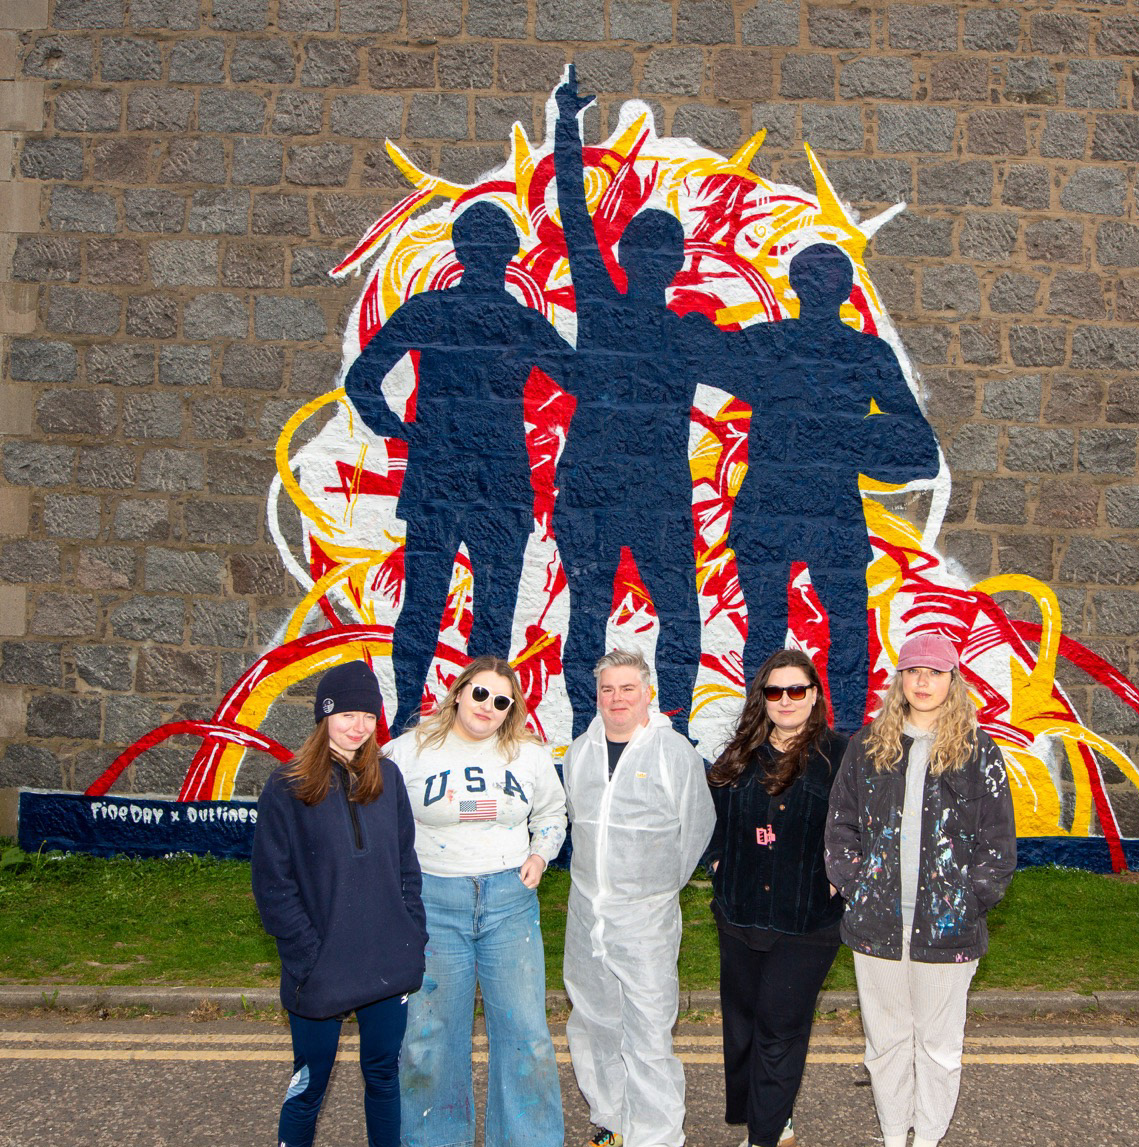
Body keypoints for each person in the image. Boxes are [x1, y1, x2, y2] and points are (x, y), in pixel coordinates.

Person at [345, 202, 574, 736]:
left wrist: (399, 428)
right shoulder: (520, 321)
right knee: (487, 617)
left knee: (424, 606)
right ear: (505, 256)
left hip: (441, 480)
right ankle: (466, 726)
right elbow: (585, 382)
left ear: (461, 250)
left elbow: (363, 379)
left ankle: (407, 716)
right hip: (497, 486)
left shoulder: (433, 311)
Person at [553, 69, 729, 735]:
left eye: (664, 249)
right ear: (634, 253)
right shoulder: (610, 305)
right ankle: (585, 731)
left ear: (677, 260)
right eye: (647, 247)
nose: (655, 258)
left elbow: (764, 369)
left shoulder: (681, 329)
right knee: (601, 613)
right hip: (608, 488)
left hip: (645, 491)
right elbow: (572, 210)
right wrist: (566, 128)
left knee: (668, 616)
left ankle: (674, 731)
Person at [709, 243, 941, 730]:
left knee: (825, 630)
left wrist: (844, 439)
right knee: (792, 630)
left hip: (812, 506)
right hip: (785, 506)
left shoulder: (801, 348)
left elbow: (920, 450)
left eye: (821, 280)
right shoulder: (801, 347)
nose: (817, 289)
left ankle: (845, 734)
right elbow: (699, 357)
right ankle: (793, 733)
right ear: (847, 291)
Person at [824, 632, 1017, 1147]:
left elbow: (997, 843)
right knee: (885, 1043)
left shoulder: (978, 752)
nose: (923, 682)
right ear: (900, 680)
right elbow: (842, 827)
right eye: (913, 672)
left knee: (936, 1045)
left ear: (952, 681)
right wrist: (856, 885)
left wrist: (974, 898)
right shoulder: (867, 748)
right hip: (877, 927)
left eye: (934, 673)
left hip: (946, 929)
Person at [252, 660, 431, 1147]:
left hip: (386, 960)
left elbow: (407, 867)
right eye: (346, 714)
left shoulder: (391, 780)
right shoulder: (286, 787)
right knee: (310, 1084)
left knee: (383, 1075)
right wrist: (306, 953)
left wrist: (412, 935)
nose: (357, 726)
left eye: (366, 715)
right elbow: (272, 887)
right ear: (324, 716)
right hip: (320, 969)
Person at [384, 655, 569, 1147]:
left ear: (512, 710)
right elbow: (376, 810)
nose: (489, 707)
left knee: (526, 1030)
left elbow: (554, 815)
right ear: (459, 692)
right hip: (434, 902)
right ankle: (438, 1140)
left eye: (502, 701)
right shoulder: (409, 751)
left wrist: (540, 855)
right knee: (430, 1028)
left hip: (508, 900)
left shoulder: (530, 756)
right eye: (480, 694)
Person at [561, 648, 716, 1147]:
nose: (617, 698)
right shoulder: (580, 752)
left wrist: (655, 889)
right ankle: (611, 1116)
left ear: (647, 693)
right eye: (608, 689)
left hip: (645, 915)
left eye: (628, 688)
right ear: (596, 695)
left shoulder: (674, 753)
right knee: (595, 1017)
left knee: (649, 1029)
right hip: (587, 912)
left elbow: (696, 828)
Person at [705, 649, 848, 1147]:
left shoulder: (841, 755)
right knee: (741, 1025)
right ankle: (770, 1118)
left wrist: (844, 873)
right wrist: (717, 859)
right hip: (740, 914)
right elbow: (708, 815)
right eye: (774, 692)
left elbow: (869, 817)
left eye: (797, 690)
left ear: (814, 695)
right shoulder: (740, 754)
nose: (786, 701)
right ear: (762, 697)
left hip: (806, 919)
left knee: (779, 1028)